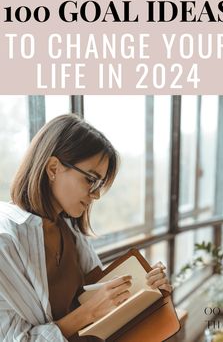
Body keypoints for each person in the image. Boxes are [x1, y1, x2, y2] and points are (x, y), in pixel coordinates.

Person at [0, 114, 171, 341]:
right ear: (53, 168)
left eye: (99, 183)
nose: (97, 194)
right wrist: (87, 313)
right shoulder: (6, 241)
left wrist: (148, 287)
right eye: (91, 180)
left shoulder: (70, 230)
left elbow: (98, 296)